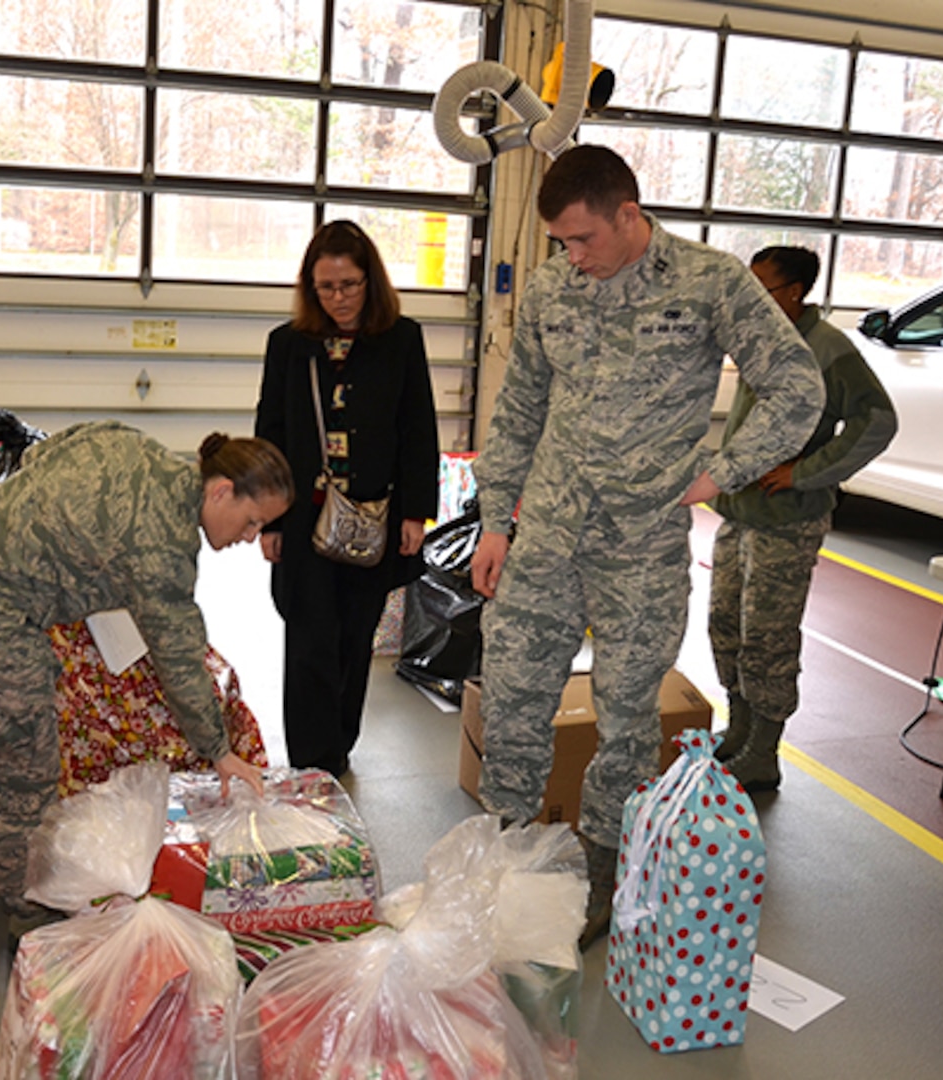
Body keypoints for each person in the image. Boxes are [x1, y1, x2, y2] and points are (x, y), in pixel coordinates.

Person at [468, 145, 827, 947]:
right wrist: (496, 519)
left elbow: (799, 387)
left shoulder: (708, 282)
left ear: (629, 214)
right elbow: (520, 406)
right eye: (560, 242)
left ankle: (604, 868)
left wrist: (722, 471)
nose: (572, 257)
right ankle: (504, 853)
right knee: (516, 689)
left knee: (627, 719)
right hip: (549, 535)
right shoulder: (553, 288)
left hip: (640, 549)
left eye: (583, 239)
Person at [0, 421, 291, 943]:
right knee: (19, 764)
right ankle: (30, 911)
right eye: (250, 522)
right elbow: (178, 653)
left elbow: (43, 456)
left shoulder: (133, 446)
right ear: (221, 490)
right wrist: (220, 749)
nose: (248, 538)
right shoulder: (165, 542)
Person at [254, 219, 440, 777]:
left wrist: (415, 512)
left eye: (350, 285)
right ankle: (313, 759)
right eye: (326, 287)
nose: (338, 298)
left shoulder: (401, 340)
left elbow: (418, 428)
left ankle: (342, 742)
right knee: (308, 635)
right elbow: (271, 433)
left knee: (356, 635)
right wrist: (268, 520)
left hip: (373, 516)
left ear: (371, 282)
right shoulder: (288, 345)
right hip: (304, 518)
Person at [710, 246, 897, 791]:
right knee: (726, 625)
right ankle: (740, 729)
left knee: (767, 635)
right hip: (740, 510)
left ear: (794, 292)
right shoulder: (762, 339)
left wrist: (808, 472)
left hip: (787, 520)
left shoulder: (828, 348)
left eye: (762, 287)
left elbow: (877, 420)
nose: (752, 298)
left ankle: (764, 751)